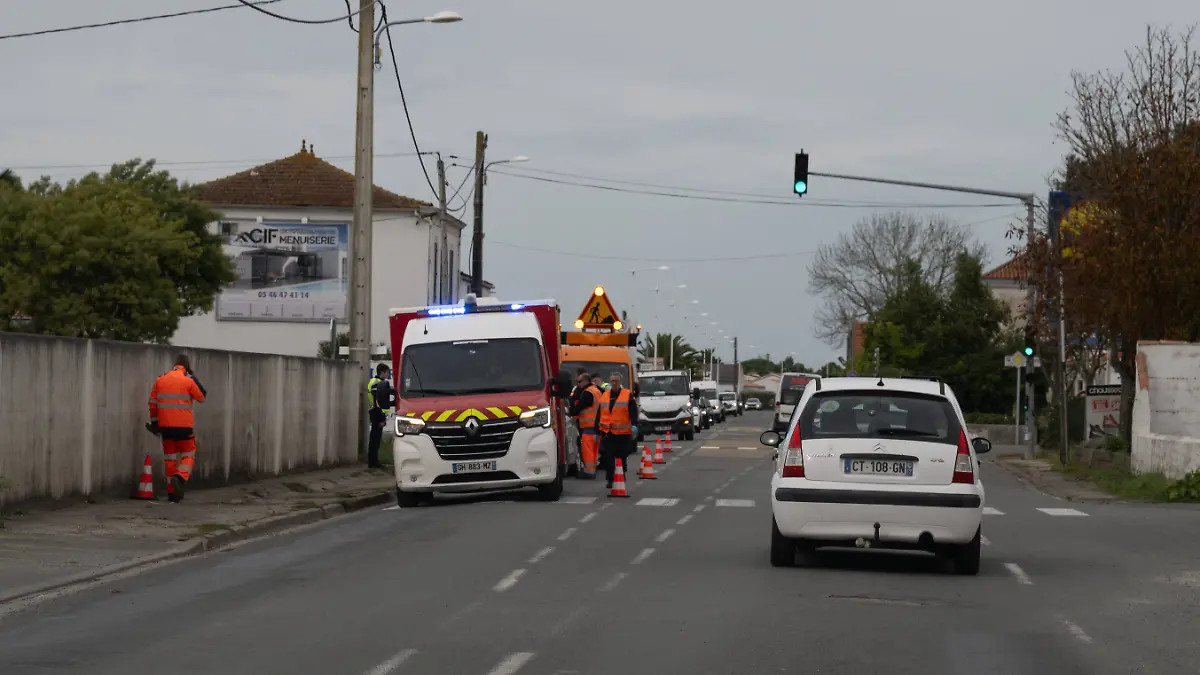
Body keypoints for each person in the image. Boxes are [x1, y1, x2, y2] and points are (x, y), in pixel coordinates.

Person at [147, 354, 207, 503]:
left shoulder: (160, 380)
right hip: (184, 429)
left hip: (166, 428)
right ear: (186, 367)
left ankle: (173, 494)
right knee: (189, 454)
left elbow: (152, 404)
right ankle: (180, 477)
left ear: (174, 364)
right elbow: (202, 397)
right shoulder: (188, 381)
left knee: (170, 460)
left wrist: (155, 424)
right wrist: (193, 377)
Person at [598, 372, 638, 489]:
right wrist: (598, 430)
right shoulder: (604, 396)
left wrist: (634, 425)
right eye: (612, 381)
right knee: (608, 457)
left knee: (622, 456)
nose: (614, 383)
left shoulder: (627, 395)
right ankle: (610, 479)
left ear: (620, 382)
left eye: (616, 381)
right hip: (607, 433)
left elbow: (633, 412)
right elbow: (599, 413)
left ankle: (622, 474)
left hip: (623, 433)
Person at [569, 370, 601, 479]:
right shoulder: (596, 390)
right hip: (597, 427)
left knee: (587, 450)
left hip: (588, 426)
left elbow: (577, 409)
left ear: (586, 381)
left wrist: (571, 403)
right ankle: (592, 469)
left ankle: (589, 471)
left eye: (579, 382)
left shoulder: (587, 393)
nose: (578, 384)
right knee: (593, 451)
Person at [367, 364, 395, 469]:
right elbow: (377, 401)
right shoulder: (377, 384)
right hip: (376, 413)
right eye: (387, 373)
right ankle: (373, 463)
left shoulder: (375, 382)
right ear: (382, 372)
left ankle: (373, 462)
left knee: (375, 438)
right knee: (375, 439)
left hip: (375, 412)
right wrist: (382, 417)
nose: (387, 375)